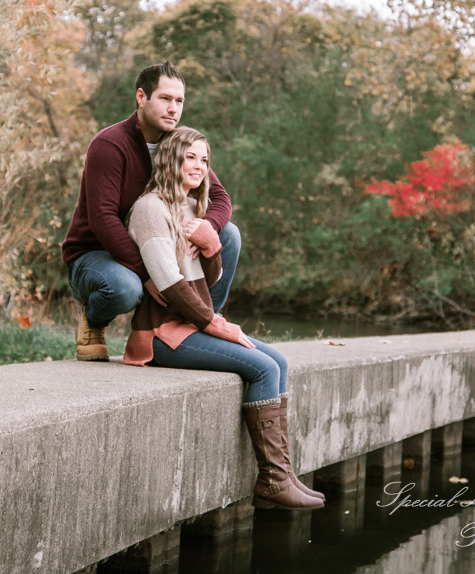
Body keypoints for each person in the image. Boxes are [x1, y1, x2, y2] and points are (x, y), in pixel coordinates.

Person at [124, 127, 325, 511]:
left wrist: (211, 244)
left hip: (188, 326)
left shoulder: (190, 208)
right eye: (190, 157)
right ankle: (272, 480)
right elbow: (168, 283)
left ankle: (283, 473)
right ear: (171, 159)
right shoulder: (151, 209)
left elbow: (208, 279)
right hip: (161, 334)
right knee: (264, 368)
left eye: (204, 159)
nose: (199, 166)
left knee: (279, 362)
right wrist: (215, 323)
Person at [62, 61, 241, 361]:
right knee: (125, 288)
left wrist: (206, 228)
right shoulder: (110, 145)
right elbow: (103, 219)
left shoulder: (177, 144)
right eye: (165, 98)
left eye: (179, 101)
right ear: (141, 97)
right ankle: (93, 321)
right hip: (96, 254)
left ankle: (206, 318)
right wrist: (146, 274)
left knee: (229, 235)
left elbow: (220, 198)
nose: (173, 108)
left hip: (156, 244)